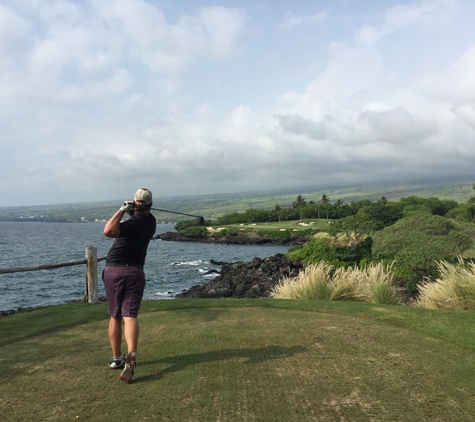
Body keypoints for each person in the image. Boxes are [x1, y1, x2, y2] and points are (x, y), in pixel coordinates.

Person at [102, 188, 156, 383]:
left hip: (114, 270)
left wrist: (121, 210)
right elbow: (143, 214)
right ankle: (132, 353)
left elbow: (108, 230)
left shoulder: (130, 224)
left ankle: (118, 358)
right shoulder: (151, 222)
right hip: (135, 272)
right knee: (130, 315)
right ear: (150, 205)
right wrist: (136, 208)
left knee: (115, 315)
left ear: (134, 204)